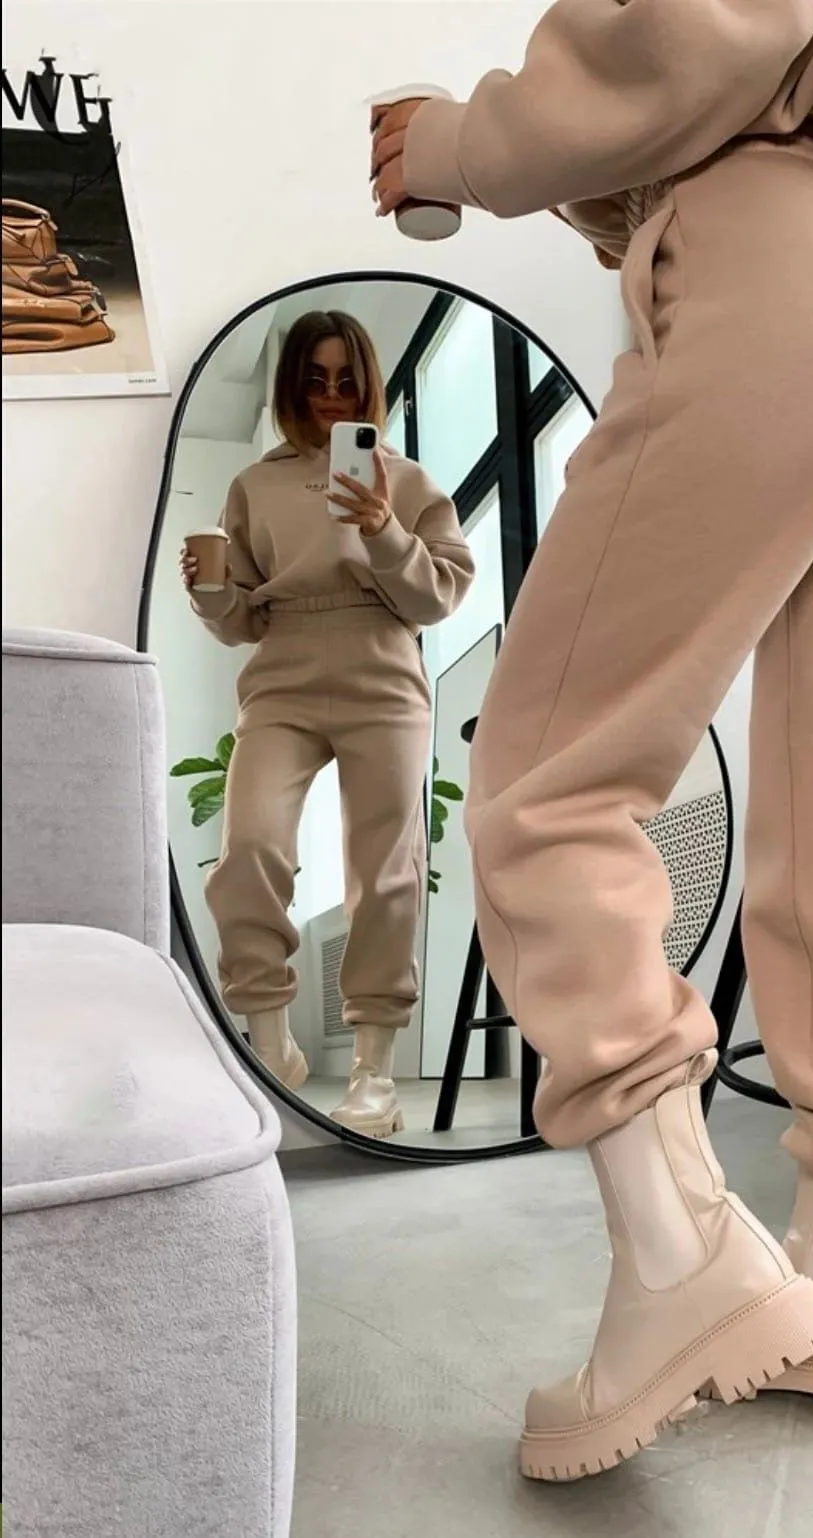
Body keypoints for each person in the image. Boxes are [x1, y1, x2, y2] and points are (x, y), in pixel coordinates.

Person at [370, 0, 813, 1479]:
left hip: (784, 267)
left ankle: (680, 1257)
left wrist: (464, 141)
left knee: (546, 780)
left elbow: (692, 32)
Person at [181, 310, 475, 1138]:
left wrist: (384, 530)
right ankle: (270, 1042)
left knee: (386, 869)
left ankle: (375, 1072)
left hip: (382, 662)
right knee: (249, 844)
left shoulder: (408, 479)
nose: (333, 393)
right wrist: (212, 594)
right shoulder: (255, 485)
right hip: (282, 668)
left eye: (348, 378)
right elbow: (242, 621)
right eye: (315, 377)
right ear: (292, 385)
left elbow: (438, 597)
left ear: (369, 383)